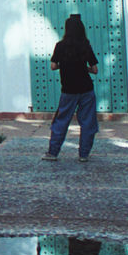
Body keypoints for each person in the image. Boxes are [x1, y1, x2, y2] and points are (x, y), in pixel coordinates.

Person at [43, 13, 99, 162]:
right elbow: (94, 70)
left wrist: (66, 65)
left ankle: (53, 153)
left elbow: (53, 66)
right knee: (87, 122)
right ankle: (84, 154)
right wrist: (83, 67)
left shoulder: (60, 46)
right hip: (86, 89)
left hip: (68, 90)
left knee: (61, 121)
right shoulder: (85, 46)